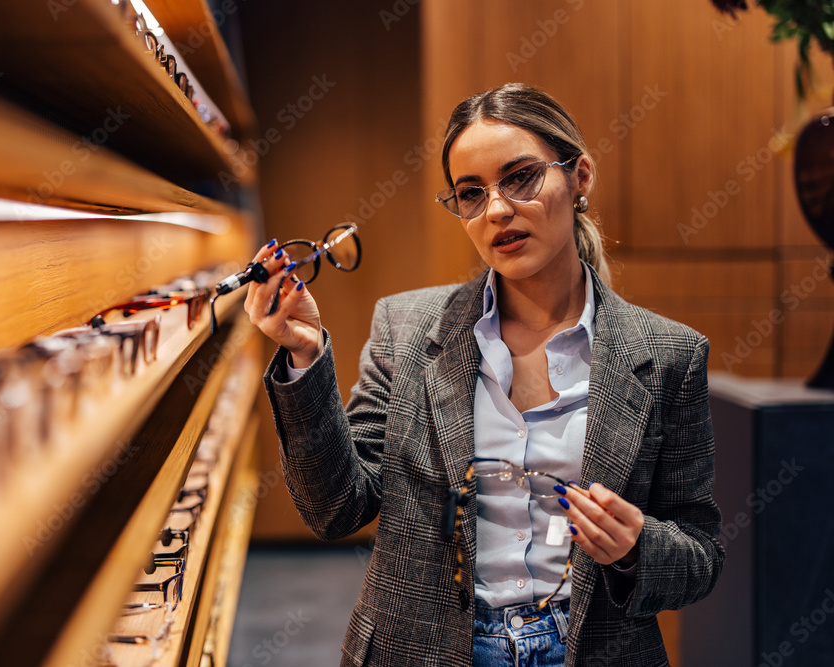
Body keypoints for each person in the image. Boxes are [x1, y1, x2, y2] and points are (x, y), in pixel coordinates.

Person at [244, 83, 725, 667]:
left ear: (580, 178)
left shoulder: (668, 353)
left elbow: (700, 555)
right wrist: (303, 356)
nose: (497, 210)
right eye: (471, 193)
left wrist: (634, 547)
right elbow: (337, 507)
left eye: (520, 178)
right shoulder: (408, 327)